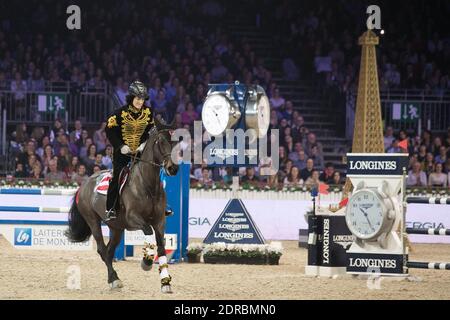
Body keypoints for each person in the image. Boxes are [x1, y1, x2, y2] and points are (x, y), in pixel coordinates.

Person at [104, 81, 155, 221]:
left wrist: (144, 143)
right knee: (117, 177)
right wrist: (120, 146)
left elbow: (151, 131)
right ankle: (111, 208)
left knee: (155, 173)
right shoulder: (119, 113)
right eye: (138, 98)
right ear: (131, 98)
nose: (140, 101)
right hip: (122, 154)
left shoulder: (149, 113)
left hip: (141, 153)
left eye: (142, 99)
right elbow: (109, 131)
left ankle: (160, 205)